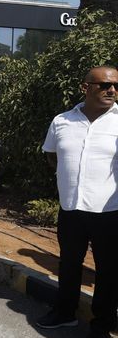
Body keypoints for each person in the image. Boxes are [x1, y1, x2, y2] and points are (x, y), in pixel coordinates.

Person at [36, 66, 118, 338]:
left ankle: (102, 324)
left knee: (108, 270)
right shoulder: (62, 121)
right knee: (69, 264)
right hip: (70, 208)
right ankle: (64, 313)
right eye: (104, 85)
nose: (112, 90)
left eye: (115, 85)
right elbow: (51, 155)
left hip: (109, 211)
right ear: (85, 87)